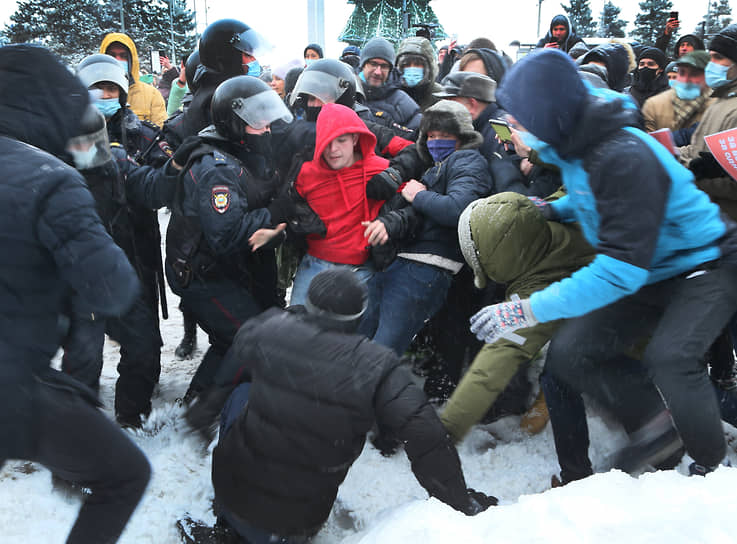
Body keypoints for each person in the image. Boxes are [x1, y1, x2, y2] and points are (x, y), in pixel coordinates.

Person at [484, 48, 737, 476]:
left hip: (705, 262)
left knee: (671, 357)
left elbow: (619, 270)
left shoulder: (620, 155)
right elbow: (596, 202)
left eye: (519, 119)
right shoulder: (576, 145)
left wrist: (528, 308)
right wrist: (555, 211)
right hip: (654, 268)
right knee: (571, 353)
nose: (512, 129)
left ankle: (710, 469)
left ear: (550, 115)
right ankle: (658, 429)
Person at [184, 269, 497, 543]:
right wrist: (461, 503)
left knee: (241, 392)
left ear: (309, 306)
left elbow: (226, 377)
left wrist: (201, 416)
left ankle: (231, 526)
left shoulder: (268, 329)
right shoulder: (378, 365)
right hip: (298, 523)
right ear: (359, 316)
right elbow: (427, 438)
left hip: (233, 499)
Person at [0, 44, 150, 543]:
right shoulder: (47, 173)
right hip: (14, 379)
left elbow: (118, 184)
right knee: (124, 471)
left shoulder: (88, 145)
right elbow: (111, 286)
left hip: (33, 358)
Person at [165, 76, 293, 401]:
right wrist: (275, 214)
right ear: (234, 124)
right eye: (257, 122)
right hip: (199, 273)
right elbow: (226, 234)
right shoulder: (218, 169)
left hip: (214, 266)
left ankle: (197, 399)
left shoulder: (241, 153)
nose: (266, 129)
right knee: (248, 337)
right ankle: (202, 412)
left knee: (230, 338)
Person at [441, 192, 596, 442]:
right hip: (638, 287)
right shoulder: (548, 212)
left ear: (496, 260)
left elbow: (497, 358)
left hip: (633, 315)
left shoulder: (536, 285)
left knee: (561, 373)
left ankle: (578, 474)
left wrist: (445, 432)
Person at [62, 104, 176, 428]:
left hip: (122, 272)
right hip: (79, 282)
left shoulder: (117, 163)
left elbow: (152, 189)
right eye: (77, 143)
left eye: (91, 141)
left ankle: (131, 415)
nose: (85, 149)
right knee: (83, 358)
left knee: (144, 345)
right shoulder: (54, 173)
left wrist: (177, 167)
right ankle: (77, 429)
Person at [359, 100, 493, 356]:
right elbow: (418, 215)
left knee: (381, 351)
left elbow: (458, 208)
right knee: (364, 338)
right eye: (430, 136)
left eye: (445, 136)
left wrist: (417, 196)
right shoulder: (437, 166)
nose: (435, 142)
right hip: (404, 263)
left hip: (426, 268)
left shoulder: (468, 162)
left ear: (462, 137)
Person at [642, 51, 714, 145]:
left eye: (694, 74)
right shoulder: (653, 105)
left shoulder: (717, 108)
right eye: (682, 73)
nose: (686, 80)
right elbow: (648, 143)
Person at [101, 32, 167, 126]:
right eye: (112, 56)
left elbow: (161, 133)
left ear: (131, 60)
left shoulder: (151, 95)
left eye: (123, 56)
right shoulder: (93, 94)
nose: (117, 60)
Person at [359, 37, 422, 131]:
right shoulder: (347, 93)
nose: (378, 72)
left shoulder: (402, 103)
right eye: (373, 64)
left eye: (384, 66)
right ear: (363, 65)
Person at [395, 36, 444, 111]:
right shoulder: (391, 94)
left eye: (417, 64)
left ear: (429, 67)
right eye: (406, 64)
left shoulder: (440, 95)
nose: (412, 68)